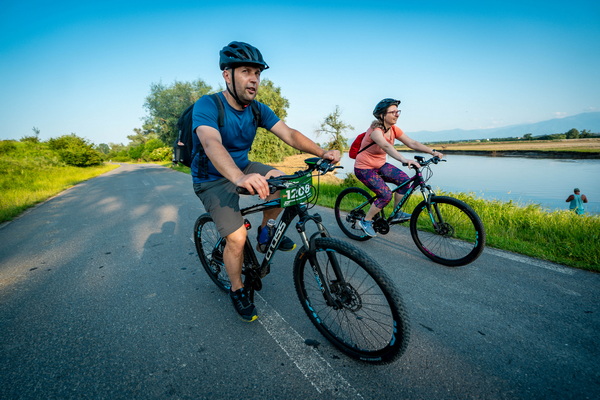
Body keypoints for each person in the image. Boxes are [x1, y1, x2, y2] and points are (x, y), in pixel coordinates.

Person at [191, 41, 340, 322]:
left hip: (242, 166)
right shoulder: (208, 105)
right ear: (227, 75)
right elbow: (211, 143)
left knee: (283, 182)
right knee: (236, 237)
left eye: (257, 73)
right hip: (211, 177)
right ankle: (237, 289)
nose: (254, 79)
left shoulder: (257, 109)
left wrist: (322, 152)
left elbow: (290, 134)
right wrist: (239, 176)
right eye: (246, 71)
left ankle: (265, 233)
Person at [354, 98, 444, 237]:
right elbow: (386, 146)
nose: (397, 114)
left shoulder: (394, 130)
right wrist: (404, 160)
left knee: (404, 181)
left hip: (380, 165)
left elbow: (412, 143)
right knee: (385, 195)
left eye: (398, 111)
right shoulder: (375, 131)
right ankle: (366, 221)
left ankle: (397, 213)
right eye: (393, 112)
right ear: (382, 115)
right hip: (364, 168)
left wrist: (432, 152)